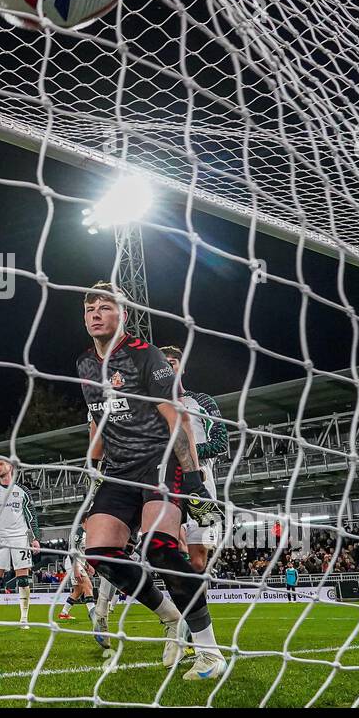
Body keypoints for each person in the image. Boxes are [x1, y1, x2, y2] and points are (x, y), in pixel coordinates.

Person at [77, 282, 225, 680]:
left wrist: (193, 480)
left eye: (104, 307)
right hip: (118, 469)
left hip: (158, 462)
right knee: (100, 552)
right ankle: (169, 615)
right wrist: (91, 466)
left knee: (159, 548)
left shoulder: (147, 356)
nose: (94, 313)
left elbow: (175, 418)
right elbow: (98, 421)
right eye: (90, 307)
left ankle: (210, 653)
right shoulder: (85, 365)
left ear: (122, 314)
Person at [0, 458, 41, 629]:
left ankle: (24, 618)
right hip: (0, 538)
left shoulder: (22, 490)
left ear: (10, 467)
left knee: (23, 579)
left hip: (19, 537)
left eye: (1, 464)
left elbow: (31, 514)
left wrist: (35, 537)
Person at [58, 525, 94, 621]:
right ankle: (93, 613)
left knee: (78, 591)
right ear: (86, 520)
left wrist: (87, 564)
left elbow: (82, 552)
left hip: (80, 564)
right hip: (74, 563)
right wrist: (76, 569)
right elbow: (72, 551)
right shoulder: (78, 532)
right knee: (88, 586)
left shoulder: (87, 533)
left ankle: (63, 613)